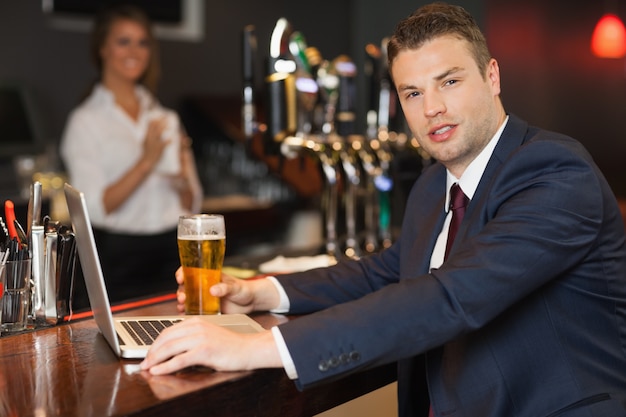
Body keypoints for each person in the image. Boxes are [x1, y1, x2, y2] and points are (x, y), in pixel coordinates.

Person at [140, 3, 626, 416]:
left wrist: (256, 347)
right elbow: (385, 274)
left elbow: (451, 297)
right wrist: (261, 294)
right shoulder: (435, 182)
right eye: (413, 93)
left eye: (450, 81)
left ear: (492, 76)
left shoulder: (556, 171)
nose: (431, 107)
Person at [60, 4, 203, 303]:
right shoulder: (86, 122)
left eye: (142, 42)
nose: (134, 51)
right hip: (118, 260)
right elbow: (95, 209)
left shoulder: (166, 118)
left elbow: (192, 204)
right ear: (102, 48)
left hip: (171, 253)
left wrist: (181, 172)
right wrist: (147, 161)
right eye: (123, 41)